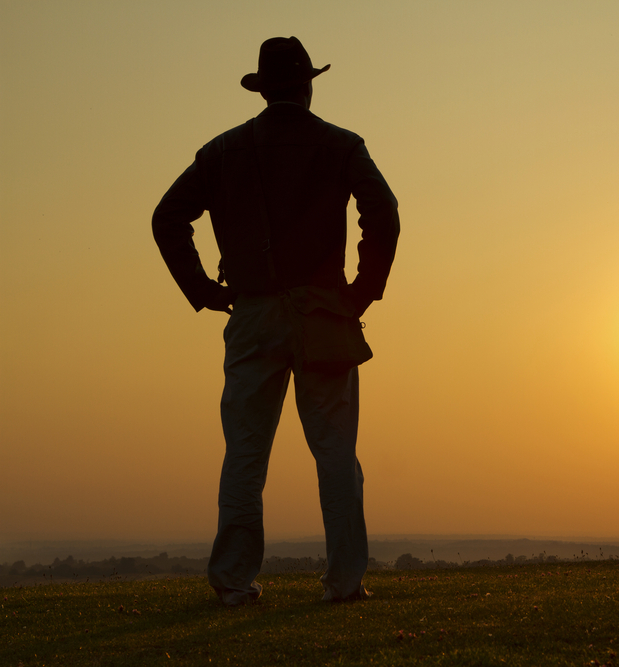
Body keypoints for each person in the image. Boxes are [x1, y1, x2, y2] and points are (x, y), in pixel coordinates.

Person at [152, 36, 399, 605]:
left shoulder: (222, 152)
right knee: (336, 450)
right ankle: (343, 581)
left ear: (263, 89)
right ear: (308, 85)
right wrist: (361, 292)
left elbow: (168, 218)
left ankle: (235, 581)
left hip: (253, 311)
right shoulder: (340, 145)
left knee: (245, 450)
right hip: (324, 312)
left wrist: (204, 291)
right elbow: (382, 212)